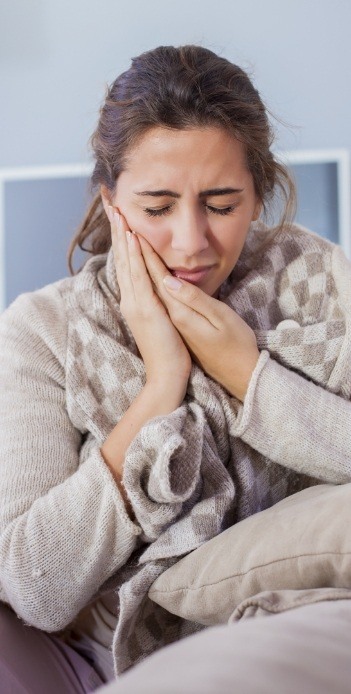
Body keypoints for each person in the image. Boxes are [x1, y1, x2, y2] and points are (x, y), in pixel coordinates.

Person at [1, 44, 351, 693]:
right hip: (112, 647)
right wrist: (161, 384)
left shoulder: (319, 283)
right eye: (157, 208)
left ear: (258, 194)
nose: (190, 242)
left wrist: (247, 376)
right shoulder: (41, 329)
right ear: (111, 202)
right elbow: (34, 587)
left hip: (290, 617)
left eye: (220, 205)